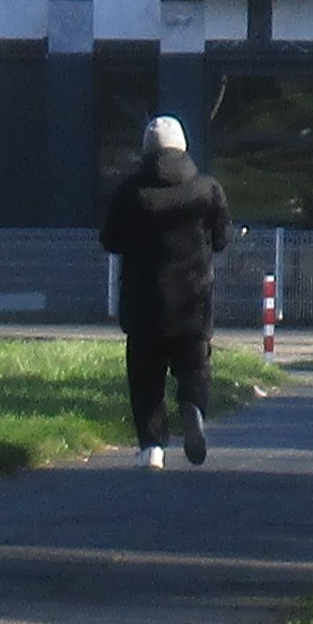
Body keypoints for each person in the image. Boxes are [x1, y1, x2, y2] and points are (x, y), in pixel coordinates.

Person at [98, 116, 231, 467]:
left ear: (147, 150)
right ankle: (192, 406)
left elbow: (110, 239)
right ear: (184, 146)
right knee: (194, 366)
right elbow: (222, 239)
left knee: (146, 377)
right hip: (192, 301)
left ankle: (152, 447)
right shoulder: (207, 189)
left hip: (144, 303)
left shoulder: (130, 192)